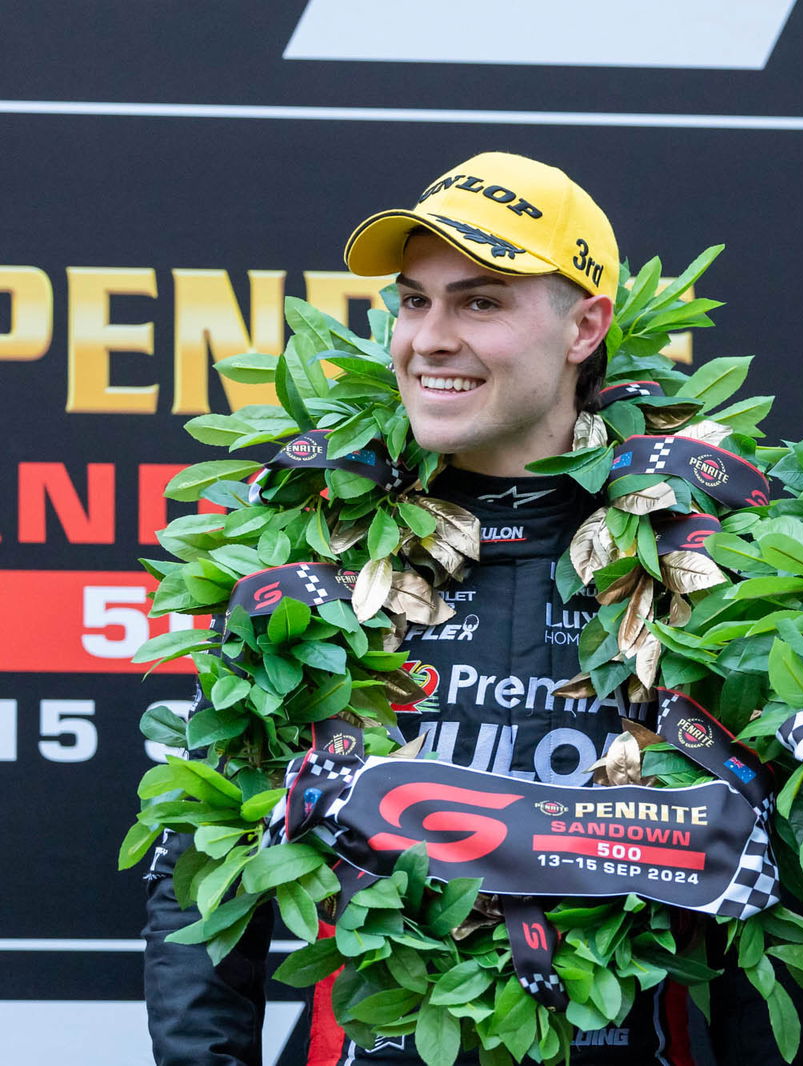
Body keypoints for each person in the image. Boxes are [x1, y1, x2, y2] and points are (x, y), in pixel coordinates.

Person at [143, 152, 702, 1065]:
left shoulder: (705, 548)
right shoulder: (306, 548)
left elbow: (777, 883)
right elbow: (207, 876)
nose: (430, 338)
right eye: (414, 301)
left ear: (584, 327)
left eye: (480, 302)